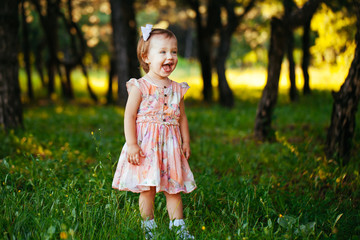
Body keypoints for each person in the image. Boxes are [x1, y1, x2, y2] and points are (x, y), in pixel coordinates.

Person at [112, 24, 196, 239]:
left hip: (171, 146)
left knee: (174, 189)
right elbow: (129, 116)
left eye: (174, 52)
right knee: (147, 189)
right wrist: (132, 144)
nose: (170, 57)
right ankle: (148, 228)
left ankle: (179, 228)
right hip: (146, 147)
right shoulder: (140, 86)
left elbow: (182, 117)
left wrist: (186, 141)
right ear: (146, 57)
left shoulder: (177, 88)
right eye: (163, 52)